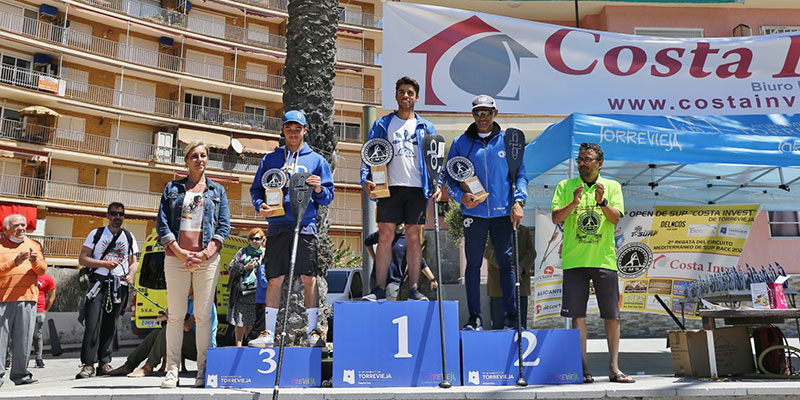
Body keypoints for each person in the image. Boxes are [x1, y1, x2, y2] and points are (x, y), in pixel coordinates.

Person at [248, 110, 334, 348]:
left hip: (305, 225)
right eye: (289, 129)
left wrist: (319, 189)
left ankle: (313, 331)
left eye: (297, 129)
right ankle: (268, 333)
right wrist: (260, 205)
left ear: (305, 130)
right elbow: (256, 190)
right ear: (283, 130)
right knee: (275, 278)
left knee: (309, 278)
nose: (293, 133)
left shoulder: (316, 160)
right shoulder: (270, 159)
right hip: (277, 225)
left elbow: (328, 197)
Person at [443, 95, 527, 331]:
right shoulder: (461, 143)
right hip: (474, 213)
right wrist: (461, 197)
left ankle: (511, 317)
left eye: (486, 112)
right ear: (472, 114)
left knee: (506, 262)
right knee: (472, 265)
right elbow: (449, 178)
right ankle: (474, 318)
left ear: (495, 113)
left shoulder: (508, 141)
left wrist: (519, 201)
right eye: (478, 112)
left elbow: (521, 175)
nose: (482, 117)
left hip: (502, 213)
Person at [551, 142, 632, 384]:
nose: (582, 163)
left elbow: (615, 219)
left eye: (587, 159)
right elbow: (556, 217)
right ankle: (583, 367)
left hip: (603, 260)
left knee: (612, 315)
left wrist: (602, 202)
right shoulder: (565, 186)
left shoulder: (612, 186)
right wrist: (574, 202)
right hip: (574, 261)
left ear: (600, 163)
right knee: (577, 316)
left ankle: (614, 368)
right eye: (580, 159)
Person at [156, 138, 230, 388]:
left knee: (203, 316)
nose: (200, 159)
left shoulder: (218, 191)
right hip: (176, 259)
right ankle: (172, 371)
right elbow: (162, 224)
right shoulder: (172, 188)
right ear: (187, 161)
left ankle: (204, 371)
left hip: (206, 261)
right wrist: (179, 252)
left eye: (203, 155)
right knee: (176, 315)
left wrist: (206, 253)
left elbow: (223, 227)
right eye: (194, 156)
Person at [361, 76, 440, 302]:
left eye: (410, 93)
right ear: (396, 96)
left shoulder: (426, 126)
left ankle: (414, 289)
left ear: (416, 97)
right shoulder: (382, 124)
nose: (406, 95)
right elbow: (369, 153)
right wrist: (366, 179)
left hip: (417, 188)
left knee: (413, 237)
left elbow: (435, 160)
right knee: (385, 236)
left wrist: (438, 183)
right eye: (402, 92)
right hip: (389, 187)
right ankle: (379, 289)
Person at [76, 203, 138, 379]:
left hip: (119, 285)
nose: (117, 217)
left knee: (110, 325)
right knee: (93, 324)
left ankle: (104, 363)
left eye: (121, 214)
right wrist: (104, 264)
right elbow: (83, 258)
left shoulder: (128, 236)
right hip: (99, 283)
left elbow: (133, 262)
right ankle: (88, 365)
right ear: (108, 215)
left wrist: (131, 275)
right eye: (114, 213)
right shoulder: (96, 234)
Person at [108, 289, 217, 377]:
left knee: (169, 329)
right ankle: (129, 365)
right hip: (188, 344)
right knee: (156, 333)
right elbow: (167, 314)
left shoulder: (205, 304)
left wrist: (168, 318)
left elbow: (187, 326)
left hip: (202, 348)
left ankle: (148, 367)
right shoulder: (187, 302)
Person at [0, 214, 46, 386]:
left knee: (24, 338)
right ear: (6, 229)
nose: (21, 228)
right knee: (0, 339)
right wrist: (15, 262)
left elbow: (42, 270)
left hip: (28, 298)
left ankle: (21, 375)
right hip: (3, 299)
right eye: (16, 225)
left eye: (23, 225)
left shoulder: (35, 245)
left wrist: (34, 262)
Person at [363, 223, 438, 301]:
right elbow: (367, 242)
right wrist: (374, 258)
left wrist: (432, 279)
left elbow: (420, 262)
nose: (399, 224)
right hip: (377, 279)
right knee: (374, 304)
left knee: (388, 303)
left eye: (402, 222)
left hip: (393, 281)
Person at [485, 225, 535, 330]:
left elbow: (531, 252)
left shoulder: (524, 231)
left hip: (520, 284)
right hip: (498, 286)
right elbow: (488, 252)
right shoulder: (493, 230)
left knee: (520, 325)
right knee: (498, 326)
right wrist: (507, 268)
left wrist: (521, 267)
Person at [228, 228, 265, 346]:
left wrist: (257, 266)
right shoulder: (242, 252)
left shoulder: (264, 254)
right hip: (241, 291)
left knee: (252, 322)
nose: (254, 241)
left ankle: (249, 345)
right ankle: (238, 346)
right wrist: (245, 268)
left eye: (257, 239)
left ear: (262, 240)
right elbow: (231, 268)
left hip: (257, 292)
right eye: (251, 239)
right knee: (239, 322)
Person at [33, 273, 56, 368]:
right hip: (26, 308)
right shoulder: (26, 276)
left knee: (37, 334)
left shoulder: (47, 279)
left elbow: (52, 296)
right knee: (21, 335)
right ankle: (11, 359)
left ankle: (39, 358)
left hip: (39, 309)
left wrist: (45, 310)